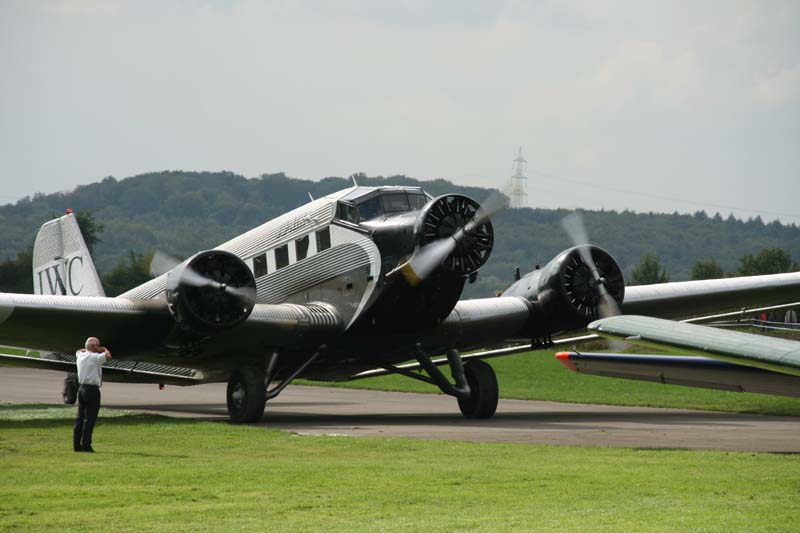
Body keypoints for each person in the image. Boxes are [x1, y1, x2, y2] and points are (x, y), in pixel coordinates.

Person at [73, 337, 112, 452]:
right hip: (92, 389)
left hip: (81, 388)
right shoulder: (95, 358)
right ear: (94, 347)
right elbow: (108, 356)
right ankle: (86, 444)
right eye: (97, 345)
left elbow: (79, 350)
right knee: (89, 418)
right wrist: (104, 349)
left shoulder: (80, 355)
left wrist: (89, 348)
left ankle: (76, 445)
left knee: (80, 418)